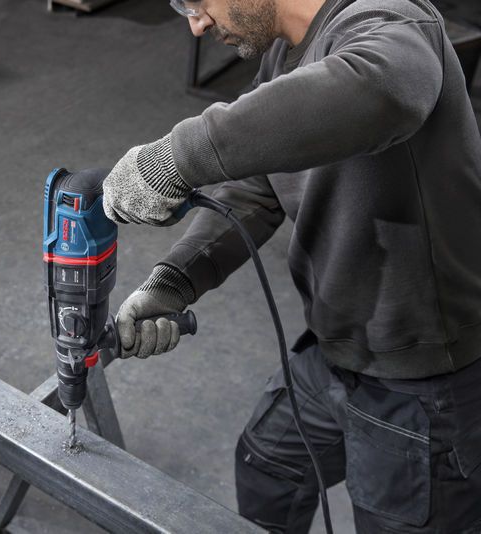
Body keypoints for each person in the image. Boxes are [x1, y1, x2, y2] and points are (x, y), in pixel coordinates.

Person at [102, 0, 481, 531]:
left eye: (196, 2)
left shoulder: (393, 22)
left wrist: (181, 156)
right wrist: (176, 279)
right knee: (269, 469)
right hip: (334, 347)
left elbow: (381, 90)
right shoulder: (282, 50)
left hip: (420, 379)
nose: (195, 24)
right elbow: (258, 187)